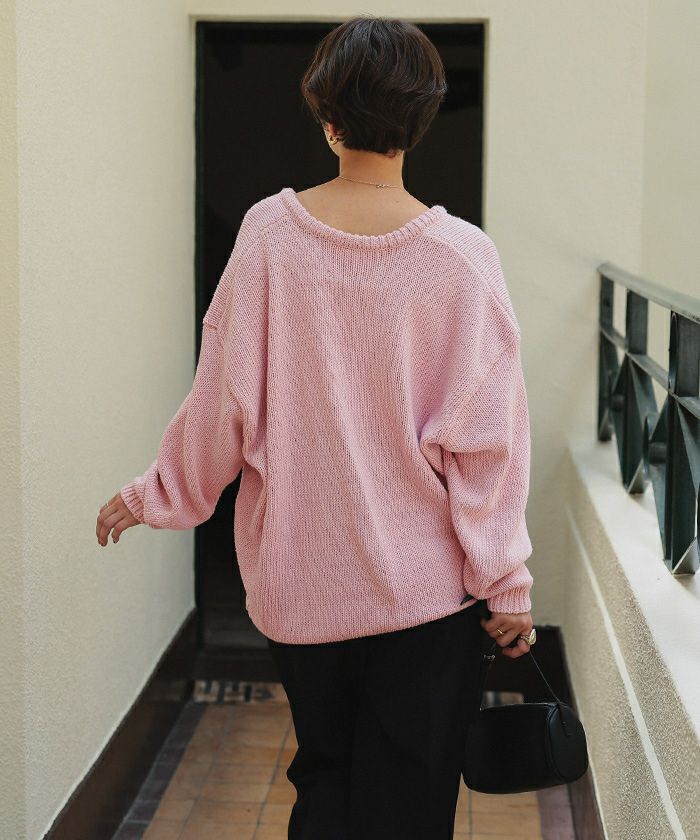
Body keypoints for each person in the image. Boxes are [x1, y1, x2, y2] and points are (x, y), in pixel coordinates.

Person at [95, 15, 536, 840]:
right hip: (425, 599)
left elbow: (222, 403)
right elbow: (488, 447)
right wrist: (505, 581)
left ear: (328, 118)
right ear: (422, 119)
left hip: (300, 589)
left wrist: (158, 492)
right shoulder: (464, 258)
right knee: (411, 805)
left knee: (325, 782)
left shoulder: (269, 237)